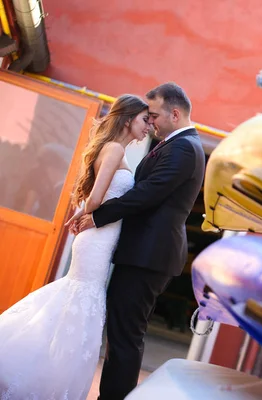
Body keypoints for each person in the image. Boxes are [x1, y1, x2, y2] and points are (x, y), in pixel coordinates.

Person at [0, 94, 151, 399]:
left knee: (76, 302)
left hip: (100, 238)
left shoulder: (115, 150)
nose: (149, 126)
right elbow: (96, 198)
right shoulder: (112, 149)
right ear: (127, 120)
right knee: (81, 300)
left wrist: (86, 214)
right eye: (144, 119)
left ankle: (44, 372)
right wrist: (84, 214)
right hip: (96, 239)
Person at [70, 82, 206, 399]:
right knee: (123, 332)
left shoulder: (185, 148)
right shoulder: (176, 145)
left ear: (175, 113)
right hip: (142, 252)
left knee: (125, 335)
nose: (151, 122)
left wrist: (97, 217)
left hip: (149, 255)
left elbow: (147, 194)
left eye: (155, 115)